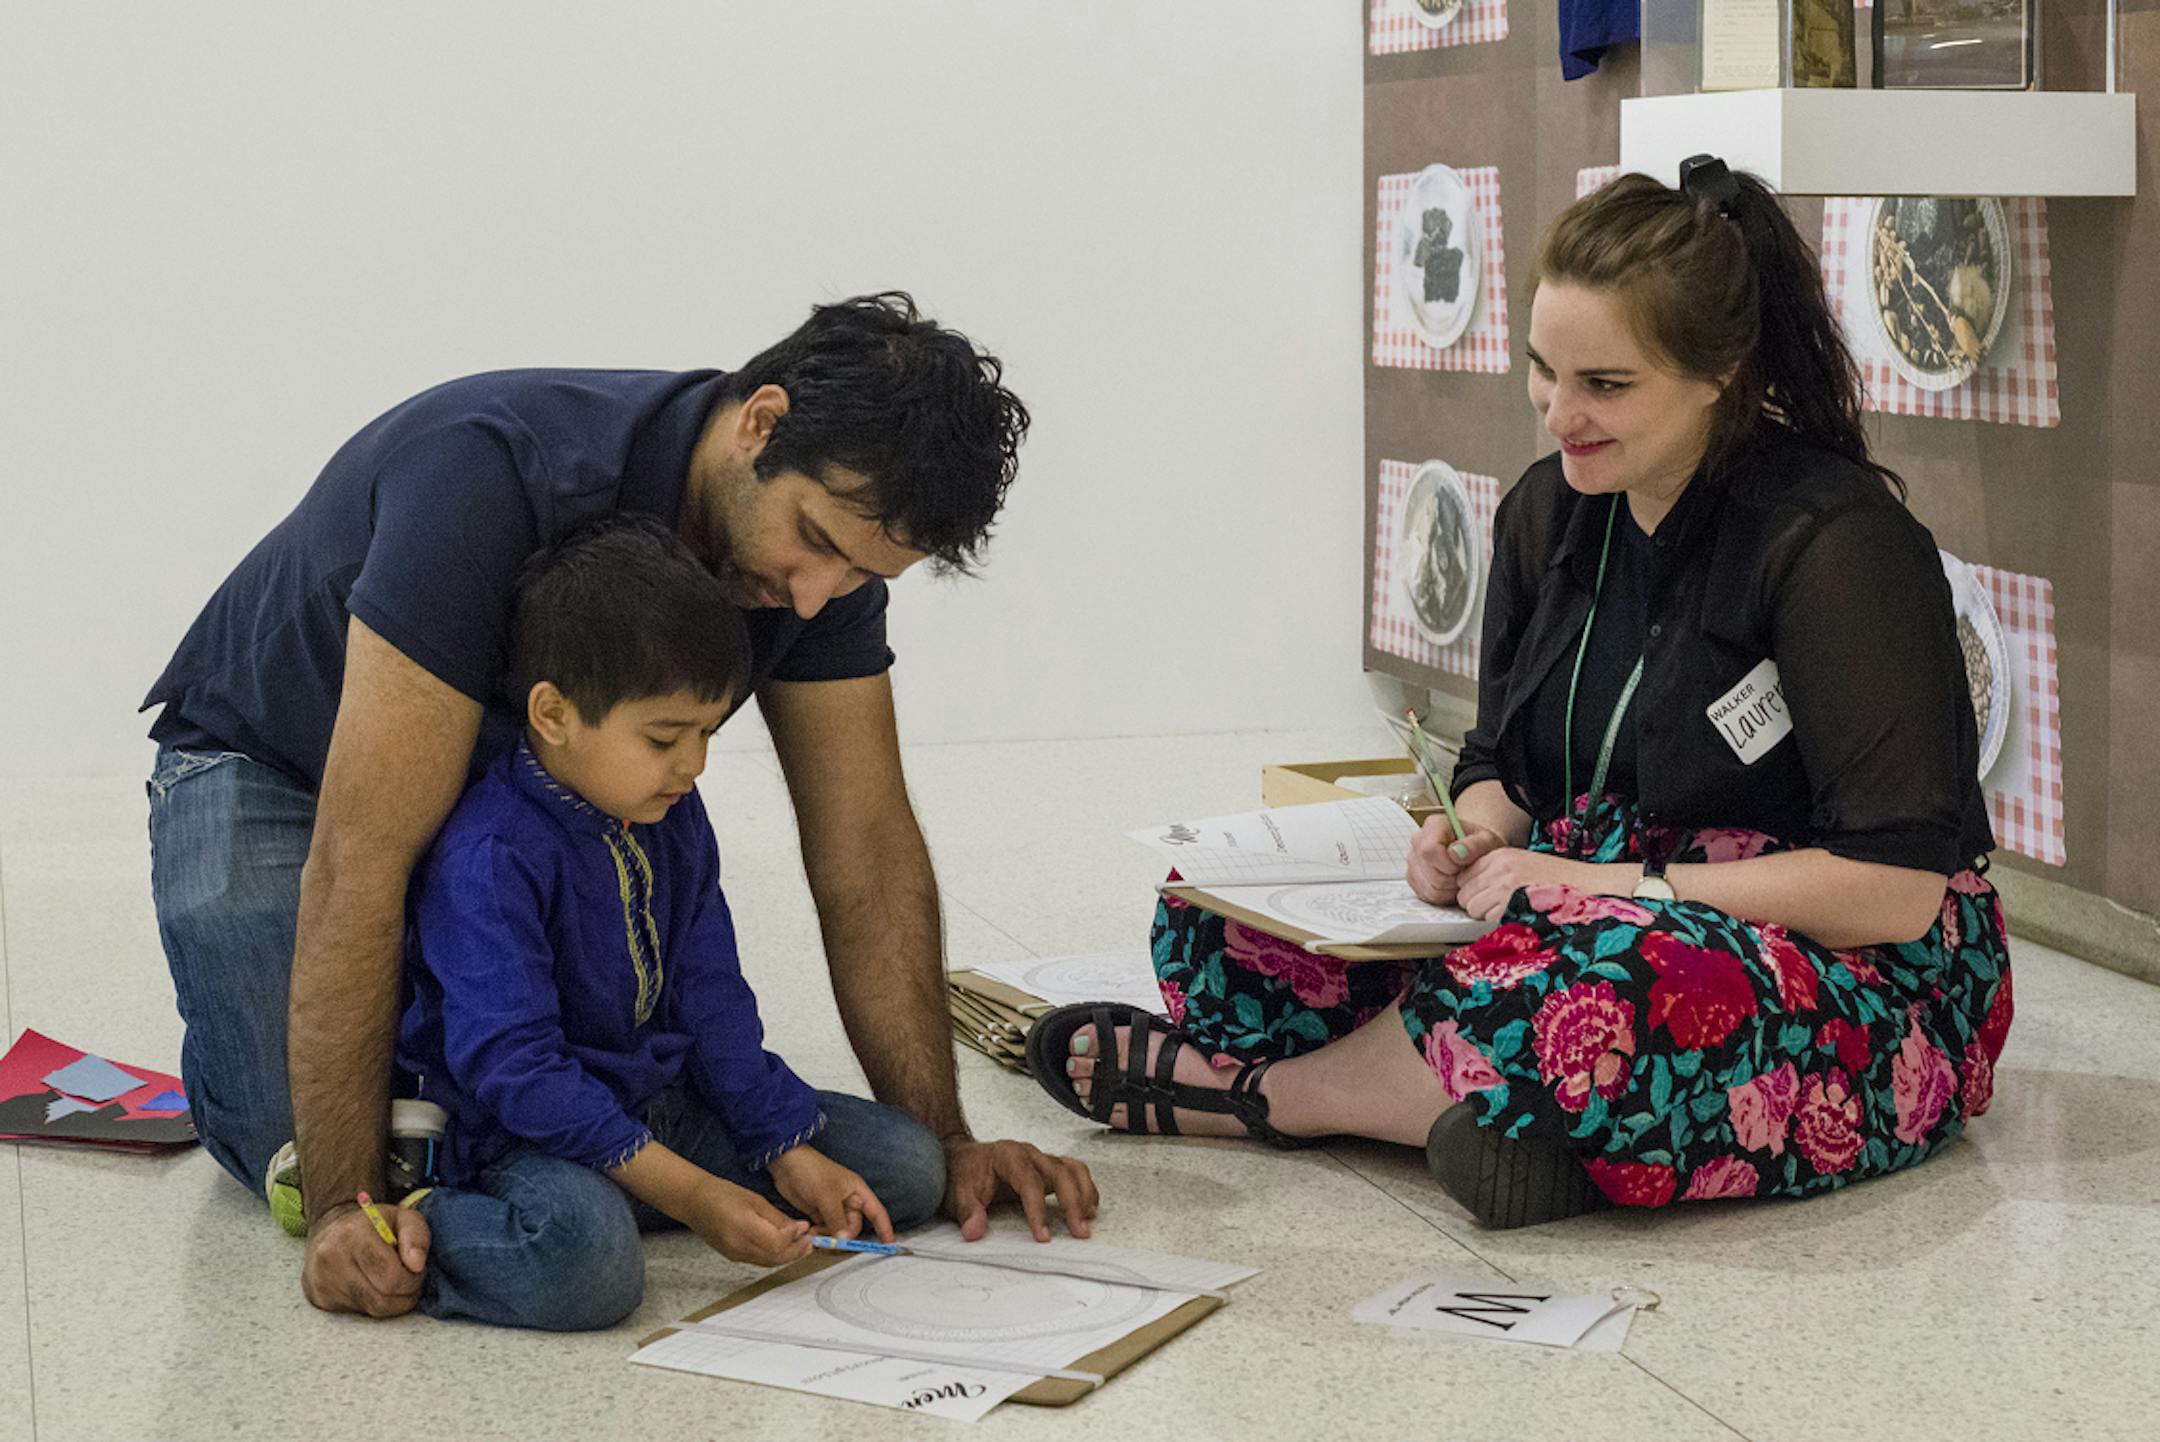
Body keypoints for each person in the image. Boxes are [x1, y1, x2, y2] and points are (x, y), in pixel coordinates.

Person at [1026, 159, 2013, 1227]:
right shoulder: (1550, 511)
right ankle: (1529, 1127)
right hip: (1566, 896)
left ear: (1721, 369)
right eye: (1543, 371)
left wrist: (1607, 886)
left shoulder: (1833, 544)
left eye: (1605, 386)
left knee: (1597, 986)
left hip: (1837, 959)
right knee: (1213, 924)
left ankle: (1278, 1100)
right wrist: (1470, 835)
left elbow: (1895, 889)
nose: (1559, 414)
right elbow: (1498, 758)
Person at [143, 293, 1098, 1320]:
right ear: (760, 422)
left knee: (897, 1168)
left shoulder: (818, 572)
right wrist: (347, 1206)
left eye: (863, 574)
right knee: (309, 1147)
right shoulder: (490, 475)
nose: (820, 595)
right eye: (816, 541)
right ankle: (500, 1156)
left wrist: (947, 1140)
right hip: (281, 775)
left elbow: (864, 842)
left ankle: (567, 1153)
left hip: (517, 812)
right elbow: (362, 853)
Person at [356, 518, 938, 1330]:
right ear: (553, 715)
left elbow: (712, 996)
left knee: (909, 1167)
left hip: (659, 1100)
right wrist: (695, 1193)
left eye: (707, 732)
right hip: (516, 1138)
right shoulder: (491, 854)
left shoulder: (669, 811)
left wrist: (783, 1144)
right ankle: (433, 1211)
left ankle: (631, 1194)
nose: (693, 764)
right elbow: (514, 1071)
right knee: (585, 1272)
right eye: (665, 737)